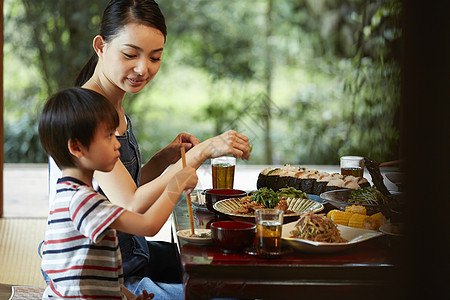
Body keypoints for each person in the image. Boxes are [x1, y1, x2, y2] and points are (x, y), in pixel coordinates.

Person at [46, 0, 251, 298]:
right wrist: (198, 155)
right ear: (101, 46)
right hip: (108, 278)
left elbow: (126, 185)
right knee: (228, 291)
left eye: (155, 57)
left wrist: (165, 159)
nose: (143, 68)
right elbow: (131, 203)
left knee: (226, 265)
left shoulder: (111, 105)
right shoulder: (85, 117)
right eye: (130, 54)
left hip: (132, 255)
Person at [39, 87, 198, 299]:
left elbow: (92, 274)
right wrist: (175, 183)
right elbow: (148, 225)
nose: (117, 145)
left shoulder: (69, 193)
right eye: (108, 136)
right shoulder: (82, 202)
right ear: (76, 147)